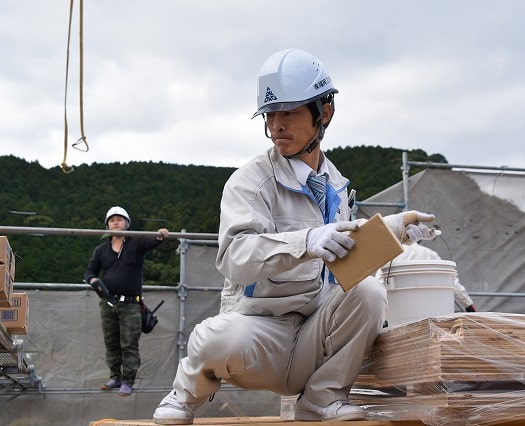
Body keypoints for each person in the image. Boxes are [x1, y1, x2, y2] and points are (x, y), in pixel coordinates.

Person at [152, 48, 438, 424]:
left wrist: (392, 234)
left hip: (312, 336)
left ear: (325, 112)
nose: (276, 125)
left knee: (369, 293)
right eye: (270, 114)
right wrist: (305, 241)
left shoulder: (336, 187)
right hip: (259, 335)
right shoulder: (251, 182)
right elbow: (234, 257)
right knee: (216, 338)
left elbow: (344, 270)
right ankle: (184, 395)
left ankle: (321, 398)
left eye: (288, 112)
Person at [84, 206, 169, 396]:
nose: (115, 222)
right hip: (108, 303)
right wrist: (93, 280)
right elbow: (89, 271)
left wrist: (160, 235)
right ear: (107, 225)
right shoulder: (101, 250)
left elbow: (152, 241)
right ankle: (115, 376)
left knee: (129, 343)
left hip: (131, 303)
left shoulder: (136, 243)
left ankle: (128, 381)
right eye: (112, 220)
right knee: (111, 342)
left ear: (127, 224)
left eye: (119, 219)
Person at [376, 243, 477, 312]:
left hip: (398, 308)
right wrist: (468, 304)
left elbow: (378, 284)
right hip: (428, 307)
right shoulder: (430, 254)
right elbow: (451, 280)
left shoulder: (392, 253)